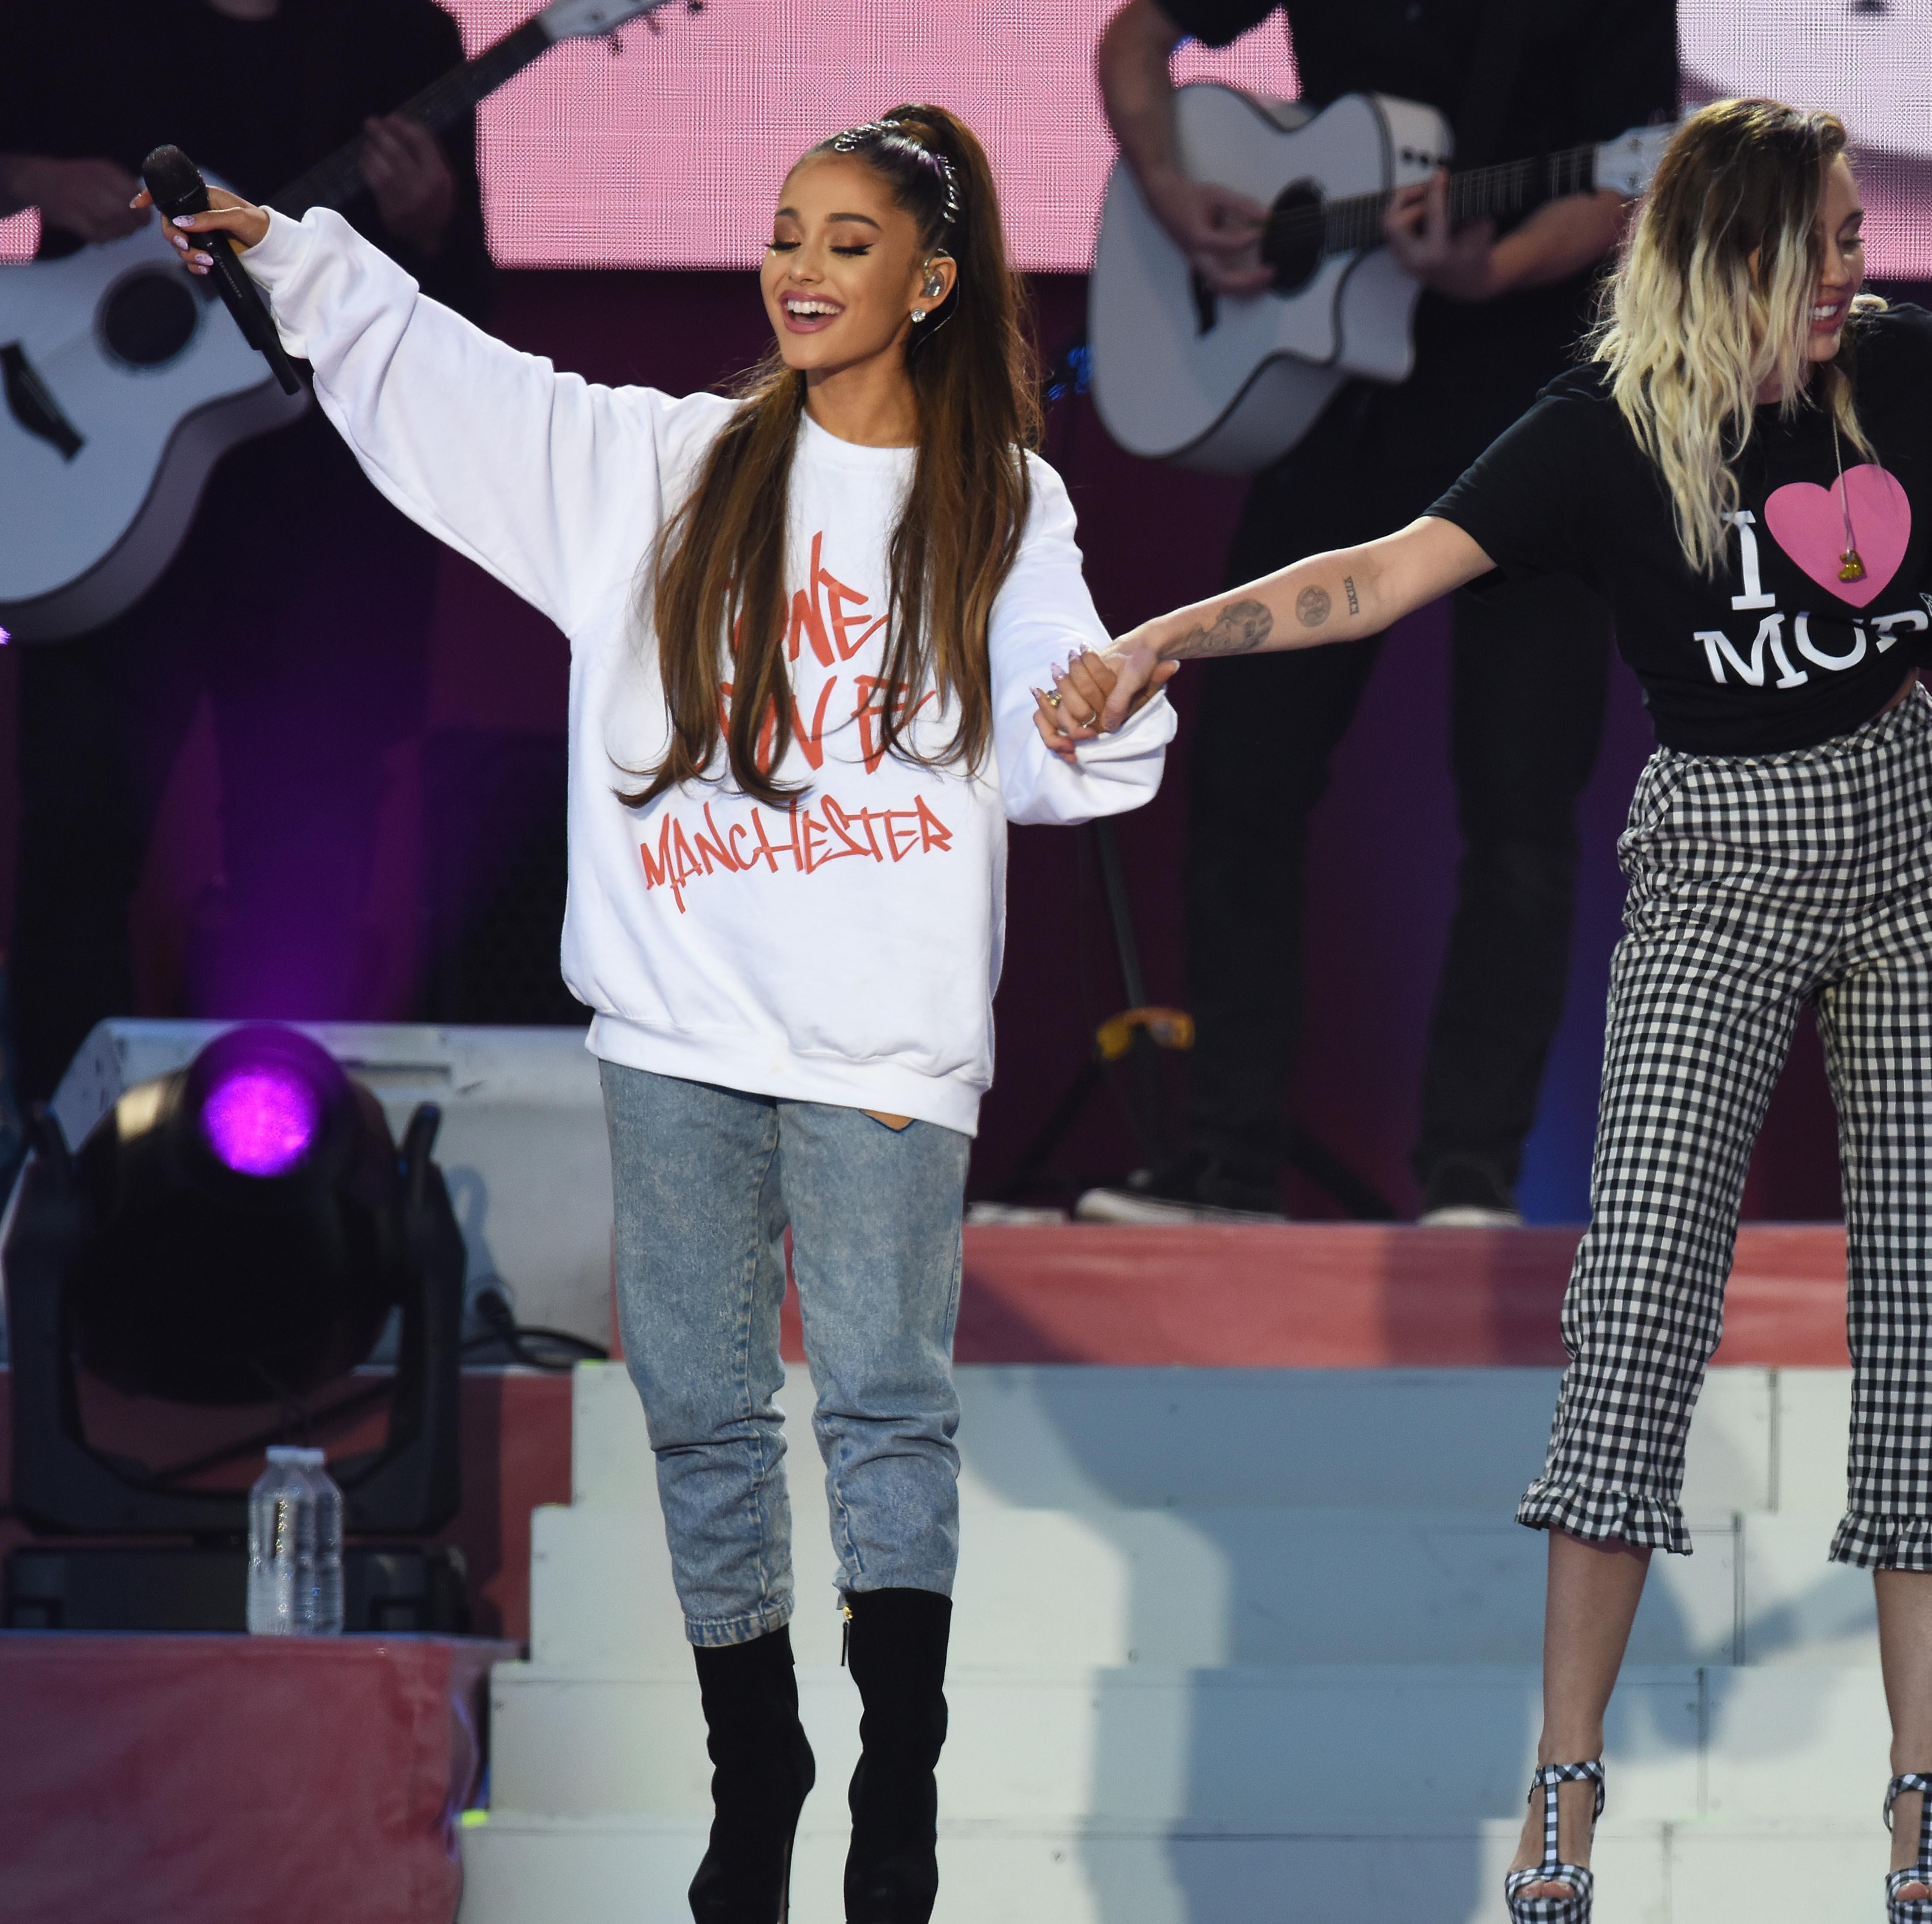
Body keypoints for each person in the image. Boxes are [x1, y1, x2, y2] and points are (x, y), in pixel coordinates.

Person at [1042, 98, 1932, 1924]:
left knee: (1930, 1314)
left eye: (1860, 237)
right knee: (1636, 1313)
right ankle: (1563, 1779)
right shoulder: (1603, 432)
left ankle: (1921, 1797)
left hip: (1917, 840)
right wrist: (1164, 636)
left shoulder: (1903, 378)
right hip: (1714, 862)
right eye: (1831, 241)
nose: (1859, 271)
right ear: (1740, 253)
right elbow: (1371, 576)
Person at [160, 106, 1178, 1922]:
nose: (798, 266)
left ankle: (899, 1781)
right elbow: (450, 382)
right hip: (680, 1025)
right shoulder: (662, 466)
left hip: (879, 1032)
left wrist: (1090, 710)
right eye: (785, 230)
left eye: (847, 240)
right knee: (703, 1409)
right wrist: (290, 258)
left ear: (931, 282)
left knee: (880, 1405)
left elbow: (1039, 712)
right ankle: (754, 1761)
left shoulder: (997, 497)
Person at [1083, 0, 1677, 1226]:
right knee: (1243, 771)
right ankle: (1228, 1167)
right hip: (1336, 400)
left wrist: (1493, 265)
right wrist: (1167, 186)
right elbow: (1137, 37)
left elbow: (1631, 175)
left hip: (1534, 408)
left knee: (1520, 803)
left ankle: (1473, 1177)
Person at [0, 0, 495, 1104]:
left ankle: (279, 1195)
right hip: (98, 510)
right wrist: (35, 173)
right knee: (77, 849)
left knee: (306, 864)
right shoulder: (63, 26)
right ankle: (56, 1171)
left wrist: (430, 225)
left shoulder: (395, 42)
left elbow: (464, 317)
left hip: (319, 540)